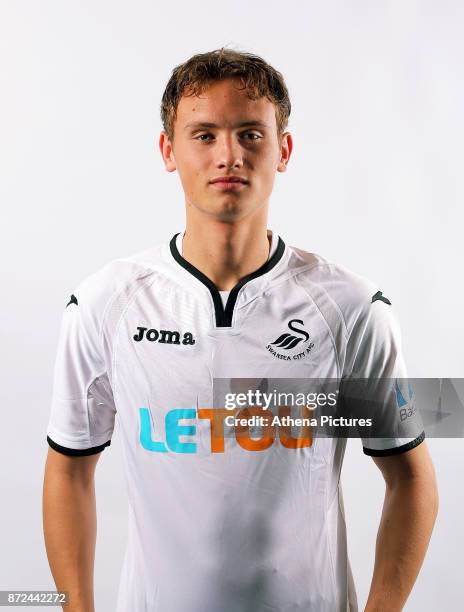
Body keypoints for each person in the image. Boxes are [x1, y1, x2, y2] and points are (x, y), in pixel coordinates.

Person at [43, 48, 438, 612]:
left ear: (284, 150)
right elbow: (68, 469)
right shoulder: (103, 303)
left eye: (250, 133)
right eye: (203, 135)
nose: (228, 155)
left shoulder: (354, 308)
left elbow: (412, 477)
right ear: (168, 151)